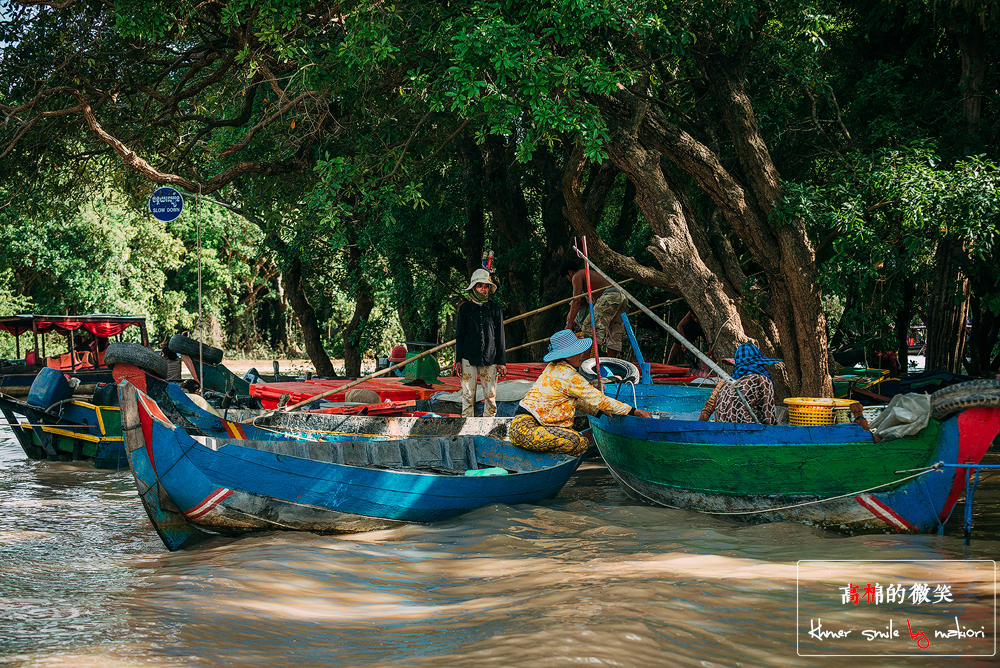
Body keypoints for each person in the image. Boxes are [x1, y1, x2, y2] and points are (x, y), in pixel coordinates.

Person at [511, 329, 653, 456]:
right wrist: (633, 411)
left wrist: (598, 412)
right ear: (567, 356)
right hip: (526, 430)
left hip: (521, 427)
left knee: (577, 440)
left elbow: (573, 402)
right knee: (579, 443)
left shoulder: (553, 368)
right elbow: (600, 400)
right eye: (577, 352)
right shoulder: (568, 375)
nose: (582, 355)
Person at [454, 268, 507, 418]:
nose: (483, 290)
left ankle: (488, 429)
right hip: (468, 358)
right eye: (479, 286)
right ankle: (467, 430)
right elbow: (460, 335)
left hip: (490, 357)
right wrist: (458, 360)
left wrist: (502, 362)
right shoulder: (465, 309)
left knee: (490, 396)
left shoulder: (495, 308)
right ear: (473, 287)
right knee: (468, 396)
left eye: (486, 286)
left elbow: (500, 336)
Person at [698, 343, 781, 424]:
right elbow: (769, 419)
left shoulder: (724, 382)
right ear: (760, 364)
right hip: (749, 432)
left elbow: (707, 411)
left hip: (723, 433)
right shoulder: (762, 380)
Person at [561, 260, 627, 358]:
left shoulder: (577, 275)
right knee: (614, 333)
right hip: (621, 297)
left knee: (589, 327)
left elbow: (576, 300)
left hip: (609, 296)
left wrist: (569, 324)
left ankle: (584, 362)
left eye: (567, 278)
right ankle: (612, 364)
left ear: (570, 272)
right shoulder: (588, 274)